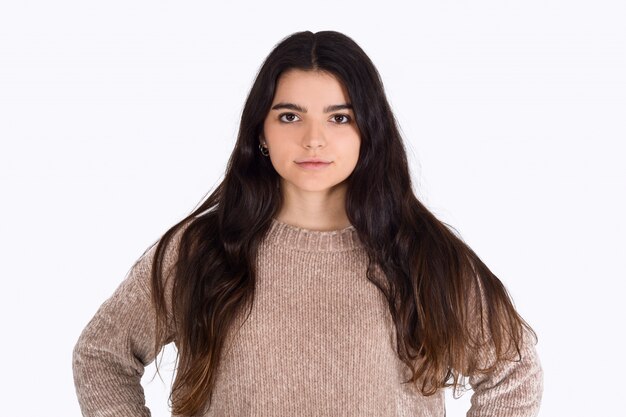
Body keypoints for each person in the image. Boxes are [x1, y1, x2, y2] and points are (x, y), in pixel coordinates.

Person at [72, 30, 543, 417]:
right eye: (290, 116)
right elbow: (101, 355)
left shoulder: (419, 253)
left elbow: (512, 371)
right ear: (261, 130)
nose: (313, 139)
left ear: (368, 131)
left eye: (339, 117)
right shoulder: (202, 250)